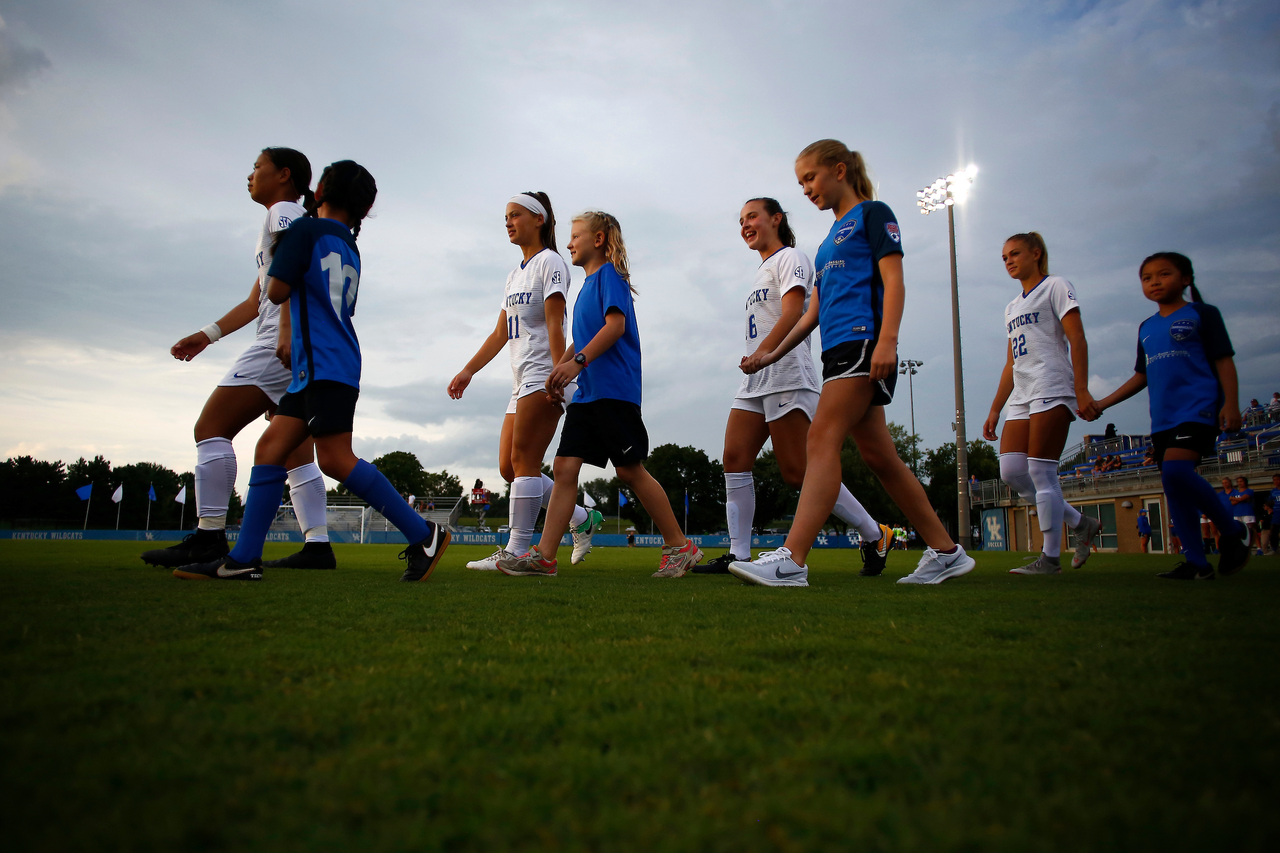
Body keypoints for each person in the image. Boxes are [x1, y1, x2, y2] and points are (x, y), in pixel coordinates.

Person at [173, 161, 449, 582]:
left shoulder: (304, 229)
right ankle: (245, 558)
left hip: (324, 363)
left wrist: (282, 259)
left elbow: (277, 289)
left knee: (337, 460)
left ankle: (424, 533)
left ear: (320, 189)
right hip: (323, 364)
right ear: (364, 208)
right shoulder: (348, 245)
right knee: (269, 450)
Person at [732, 140, 975, 586]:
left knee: (820, 439)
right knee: (881, 458)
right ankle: (946, 551)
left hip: (864, 346)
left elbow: (894, 280)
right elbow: (811, 316)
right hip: (837, 353)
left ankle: (793, 559)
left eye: (810, 177)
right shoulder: (826, 243)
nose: (805, 188)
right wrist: (770, 354)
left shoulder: (874, 214)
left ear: (839, 170)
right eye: (800, 181)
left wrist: (888, 341)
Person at [143, 148, 336, 571]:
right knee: (295, 450)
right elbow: (256, 299)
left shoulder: (282, 213)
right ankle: (318, 546)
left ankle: (209, 536)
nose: (249, 175)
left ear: (283, 175)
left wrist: (285, 330)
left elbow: (297, 273)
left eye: (256, 168)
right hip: (301, 346)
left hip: (278, 343)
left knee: (211, 427)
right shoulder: (283, 220)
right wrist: (208, 335)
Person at [498, 211, 703, 578]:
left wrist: (575, 363)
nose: (570, 242)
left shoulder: (610, 275)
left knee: (629, 471)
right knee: (564, 467)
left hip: (613, 392)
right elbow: (584, 338)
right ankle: (545, 557)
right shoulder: (585, 287)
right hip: (587, 395)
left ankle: (680, 546)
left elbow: (615, 326)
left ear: (598, 240)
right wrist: (559, 370)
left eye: (576, 236)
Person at [695, 197, 892, 578]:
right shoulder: (762, 268)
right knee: (734, 460)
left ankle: (874, 533)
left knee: (799, 471)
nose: (745, 225)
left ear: (776, 219)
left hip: (786, 372)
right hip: (756, 376)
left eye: (752, 216)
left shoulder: (791, 257)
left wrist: (766, 352)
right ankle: (738, 554)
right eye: (741, 220)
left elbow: (794, 311)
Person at [449, 194, 602, 571]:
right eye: (506, 217)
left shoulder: (550, 262)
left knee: (525, 462)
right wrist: (469, 370)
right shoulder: (514, 273)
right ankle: (582, 518)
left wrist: (558, 374)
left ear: (538, 219)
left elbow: (555, 324)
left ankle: (517, 550)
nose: (508, 222)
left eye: (515, 215)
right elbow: (501, 332)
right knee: (509, 467)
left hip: (543, 373)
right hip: (519, 379)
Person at [1088, 252, 1248, 579]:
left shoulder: (1203, 314)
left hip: (1199, 408)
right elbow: (1141, 376)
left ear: (1186, 279)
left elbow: (1223, 361)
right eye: (1147, 278)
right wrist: (1103, 403)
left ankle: (1231, 532)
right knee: (1173, 487)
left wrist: (1230, 403)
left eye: (1163, 274)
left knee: (1176, 470)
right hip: (1163, 418)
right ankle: (1197, 564)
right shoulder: (1146, 327)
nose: (1155, 282)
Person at [981, 232, 1101, 575]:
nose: (1009, 261)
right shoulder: (1011, 307)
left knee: (1041, 471)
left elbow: (1076, 338)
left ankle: (1049, 558)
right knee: (1012, 471)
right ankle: (1081, 523)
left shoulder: (1056, 287)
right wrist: (995, 408)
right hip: (1022, 392)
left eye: (1015, 254)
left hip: (1051, 383)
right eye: (1004, 257)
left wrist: (1081, 389)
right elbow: (1011, 363)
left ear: (1036, 254)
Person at [1229, 476, 1258, 554]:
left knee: (1250, 531)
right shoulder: (1235, 492)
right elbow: (1233, 503)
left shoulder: (1249, 491)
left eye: (1241, 481)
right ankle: (1242, 549)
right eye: (1238, 481)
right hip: (1237, 513)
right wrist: (1238, 499)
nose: (1239, 483)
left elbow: (1241, 499)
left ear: (1245, 482)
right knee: (1238, 532)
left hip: (1247, 513)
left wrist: (1234, 498)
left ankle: (1258, 548)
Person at [1265, 473, 1280, 555]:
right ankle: (1274, 549)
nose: (1276, 481)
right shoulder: (1273, 491)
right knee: (1274, 532)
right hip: (1277, 514)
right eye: (1274, 480)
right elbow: (1270, 501)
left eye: (1277, 479)